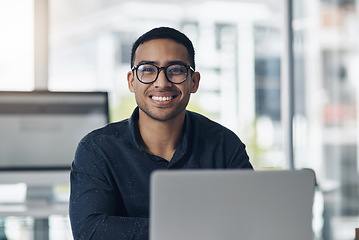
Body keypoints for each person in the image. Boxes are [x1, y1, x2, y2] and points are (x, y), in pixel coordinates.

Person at [69, 26, 253, 240]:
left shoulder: (224, 145)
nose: (162, 82)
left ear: (194, 82)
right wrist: (188, 229)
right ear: (131, 81)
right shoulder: (97, 149)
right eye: (148, 69)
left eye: (176, 70)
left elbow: (248, 222)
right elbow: (90, 231)